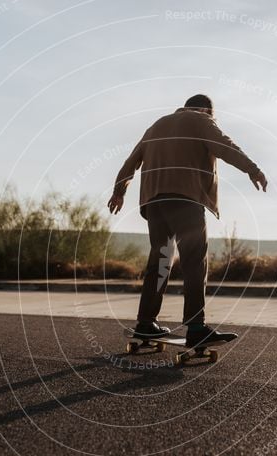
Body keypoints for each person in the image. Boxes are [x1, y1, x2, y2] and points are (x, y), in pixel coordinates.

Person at [108, 94, 267, 347]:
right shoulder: (201, 120)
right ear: (206, 110)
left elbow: (131, 161)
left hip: (154, 203)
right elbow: (224, 146)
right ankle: (195, 326)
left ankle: (146, 322)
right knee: (194, 261)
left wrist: (119, 192)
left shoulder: (157, 125)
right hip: (186, 199)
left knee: (160, 261)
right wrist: (253, 169)